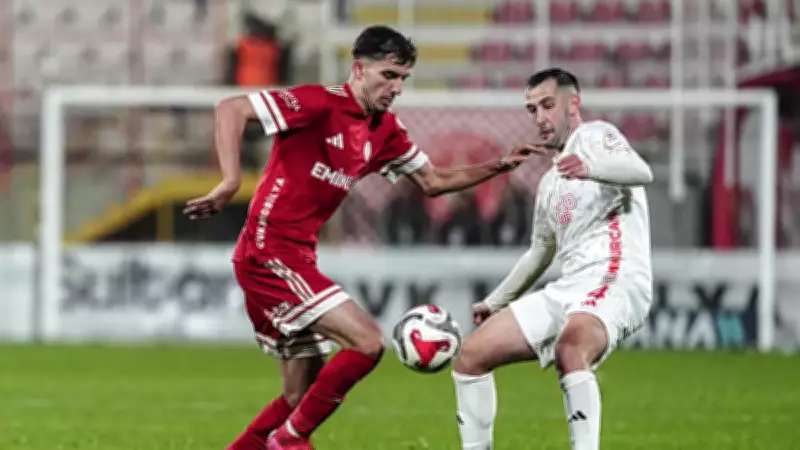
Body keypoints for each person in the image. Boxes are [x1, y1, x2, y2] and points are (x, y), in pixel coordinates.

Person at [181, 25, 532, 450]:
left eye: (403, 78)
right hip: (268, 252)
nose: (396, 87)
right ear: (359, 69)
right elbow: (231, 108)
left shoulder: (384, 130)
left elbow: (434, 180)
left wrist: (498, 166)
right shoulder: (319, 103)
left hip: (297, 257)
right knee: (366, 342)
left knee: (298, 396)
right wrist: (231, 180)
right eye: (389, 75)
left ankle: (279, 437)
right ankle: (290, 440)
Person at [450, 67, 654, 450]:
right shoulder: (550, 182)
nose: (540, 117)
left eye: (548, 105)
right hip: (569, 289)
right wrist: (495, 301)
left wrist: (591, 168)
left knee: (571, 350)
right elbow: (539, 252)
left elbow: (641, 171)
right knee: (472, 356)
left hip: (616, 279)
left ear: (573, 104)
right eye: (532, 109)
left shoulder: (596, 137)